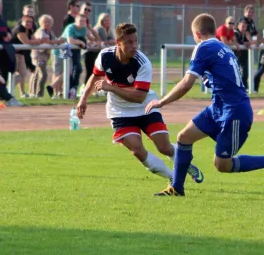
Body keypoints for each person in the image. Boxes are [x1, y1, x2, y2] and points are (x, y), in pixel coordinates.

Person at [146, 14, 264, 197]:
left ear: (196, 34)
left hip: (234, 112)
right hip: (219, 107)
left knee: (222, 165)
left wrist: (162, 102)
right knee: (184, 137)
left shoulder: (203, 47)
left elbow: (187, 83)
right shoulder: (222, 47)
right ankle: (177, 188)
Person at [76, 23, 204, 186]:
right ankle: (173, 177)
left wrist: (111, 87)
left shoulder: (143, 63)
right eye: (129, 42)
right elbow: (95, 76)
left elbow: (138, 97)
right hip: (120, 112)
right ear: (118, 42)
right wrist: (83, 98)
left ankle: (186, 165)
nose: (134, 46)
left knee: (164, 147)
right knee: (137, 150)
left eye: (136, 41)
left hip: (145, 108)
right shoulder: (104, 56)